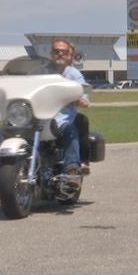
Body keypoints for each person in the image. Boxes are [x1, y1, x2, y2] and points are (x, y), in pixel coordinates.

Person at [49, 39, 90, 176]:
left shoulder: (74, 74)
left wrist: (82, 99)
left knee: (70, 129)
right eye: (56, 51)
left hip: (62, 120)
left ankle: (72, 168)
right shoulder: (43, 72)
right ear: (51, 54)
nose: (60, 54)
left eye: (64, 52)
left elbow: (84, 95)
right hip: (40, 119)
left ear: (69, 56)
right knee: (9, 127)